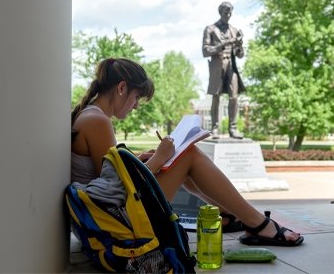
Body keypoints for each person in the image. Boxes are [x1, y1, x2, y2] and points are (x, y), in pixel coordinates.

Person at [71, 57, 304, 246]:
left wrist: (138, 158)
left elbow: (110, 176)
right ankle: (257, 223)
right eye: (136, 97)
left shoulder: (91, 115)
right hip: (115, 224)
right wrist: (160, 157)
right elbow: (118, 188)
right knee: (189, 155)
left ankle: (232, 214)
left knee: (182, 157)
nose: (136, 106)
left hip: (105, 218)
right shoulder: (98, 121)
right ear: (122, 87)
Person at [202, 1, 245, 139]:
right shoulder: (210, 29)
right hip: (217, 67)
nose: (228, 14)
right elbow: (205, 51)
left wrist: (239, 45)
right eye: (226, 12)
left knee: (234, 96)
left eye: (230, 12)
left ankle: (233, 128)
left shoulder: (234, 30)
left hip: (231, 66)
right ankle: (214, 128)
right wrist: (225, 43)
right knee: (216, 96)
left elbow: (240, 54)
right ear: (220, 12)